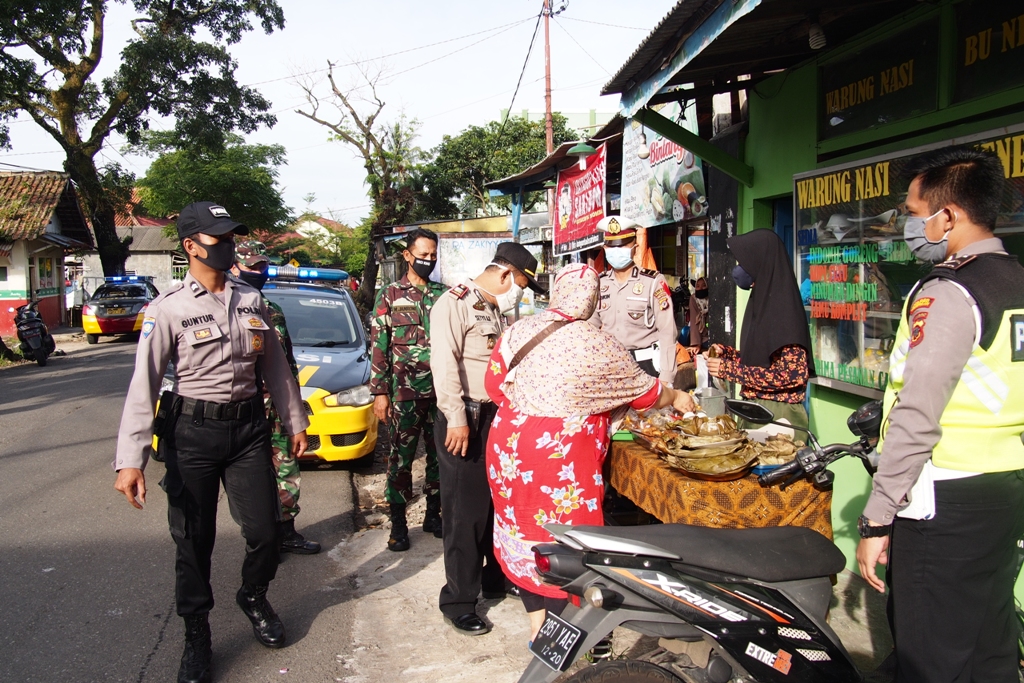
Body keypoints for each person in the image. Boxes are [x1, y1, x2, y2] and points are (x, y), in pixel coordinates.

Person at [112, 202, 309, 683]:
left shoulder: (250, 300)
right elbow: (144, 385)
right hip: (191, 435)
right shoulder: (168, 309)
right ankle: (196, 634)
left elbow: (275, 368)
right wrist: (130, 460)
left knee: (266, 531)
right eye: (219, 239)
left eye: (231, 238)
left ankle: (252, 594)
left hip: (247, 432)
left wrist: (294, 419)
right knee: (193, 541)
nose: (229, 246)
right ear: (191, 246)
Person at [855, 147, 1024, 683]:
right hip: (1002, 490)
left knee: (930, 657)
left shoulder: (950, 293)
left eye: (912, 211)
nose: (908, 224)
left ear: (946, 216)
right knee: (989, 645)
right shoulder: (1015, 280)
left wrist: (878, 515)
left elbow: (917, 413)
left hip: (942, 501)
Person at [485, 263, 697, 642]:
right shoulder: (597, 343)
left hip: (508, 445)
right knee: (568, 541)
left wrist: (532, 402)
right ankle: (563, 631)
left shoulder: (519, 329)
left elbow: (494, 387)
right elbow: (647, 396)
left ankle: (538, 627)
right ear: (592, 299)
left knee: (522, 530)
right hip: (558, 456)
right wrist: (679, 396)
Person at [429, 241, 544, 636]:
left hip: (495, 417)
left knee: (497, 505)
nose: (522, 293)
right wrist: (457, 418)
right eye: (523, 284)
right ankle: (460, 599)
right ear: (505, 274)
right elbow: (444, 364)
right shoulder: (453, 303)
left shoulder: (493, 306)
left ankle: (496, 578)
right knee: (464, 511)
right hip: (466, 417)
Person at [230, 241, 320, 555]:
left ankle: (286, 532)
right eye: (253, 266)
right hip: (245, 409)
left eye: (263, 266)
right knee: (251, 476)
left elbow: (286, 365)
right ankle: (259, 538)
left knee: (287, 468)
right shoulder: (224, 310)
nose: (259, 272)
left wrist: (294, 409)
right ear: (234, 266)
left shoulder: (273, 310)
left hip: (277, 409)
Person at [369, 227, 448, 552]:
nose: (428, 261)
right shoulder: (389, 295)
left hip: (441, 393)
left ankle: (434, 515)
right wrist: (379, 393)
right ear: (407, 255)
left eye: (432, 256)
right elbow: (379, 345)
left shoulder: (444, 295)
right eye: (422, 255)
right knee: (400, 460)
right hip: (403, 394)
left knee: (439, 458)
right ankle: (399, 525)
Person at [705, 230, 814, 430]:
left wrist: (729, 370)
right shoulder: (762, 302)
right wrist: (727, 355)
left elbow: (792, 375)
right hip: (756, 409)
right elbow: (764, 361)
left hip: (779, 417)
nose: (740, 269)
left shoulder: (784, 311)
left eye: (745, 262)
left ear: (761, 262)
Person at [589, 216, 678, 385]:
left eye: (623, 245)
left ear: (634, 247)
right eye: (612, 246)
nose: (617, 250)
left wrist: (667, 376)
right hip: (610, 366)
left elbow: (667, 331)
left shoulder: (652, 282)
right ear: (604, 248)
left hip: (646, 366)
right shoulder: (600, 283)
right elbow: (589, 328)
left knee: (650, 412)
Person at [687, 277, 709, 354]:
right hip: (703, 338)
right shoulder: (693, 299)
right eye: (698, 286)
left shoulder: (713, 298)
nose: (700, 288)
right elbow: (694, 321)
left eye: (704, 285)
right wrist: (696, 344)